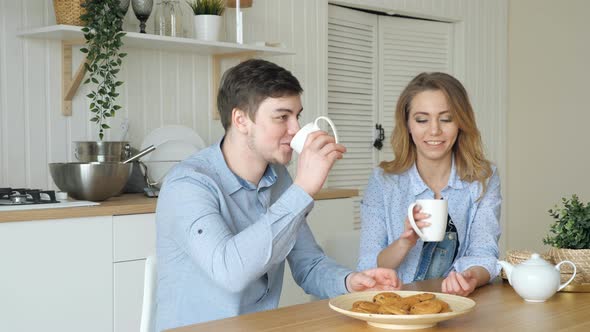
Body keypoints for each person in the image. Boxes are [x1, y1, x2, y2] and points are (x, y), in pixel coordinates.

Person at [155, 59, 401, 331]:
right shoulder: (189, 184)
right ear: (241, 120)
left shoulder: (278, 179)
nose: (295, 129)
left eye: (297, 116)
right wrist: (303, 188)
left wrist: (351, 282)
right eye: (282, 117)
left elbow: (308, 265)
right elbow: (230, 273)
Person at [357, 72, 501, 297]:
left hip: (457, 304)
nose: (434, 130)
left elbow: (484, 253)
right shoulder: (383, 180)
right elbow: (369, 266)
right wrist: (405, 242)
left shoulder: (483, 178)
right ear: (408, 124)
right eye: (422, 119)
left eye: (446, 119)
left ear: (461, 123)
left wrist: (471, 277)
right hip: (396, 305)